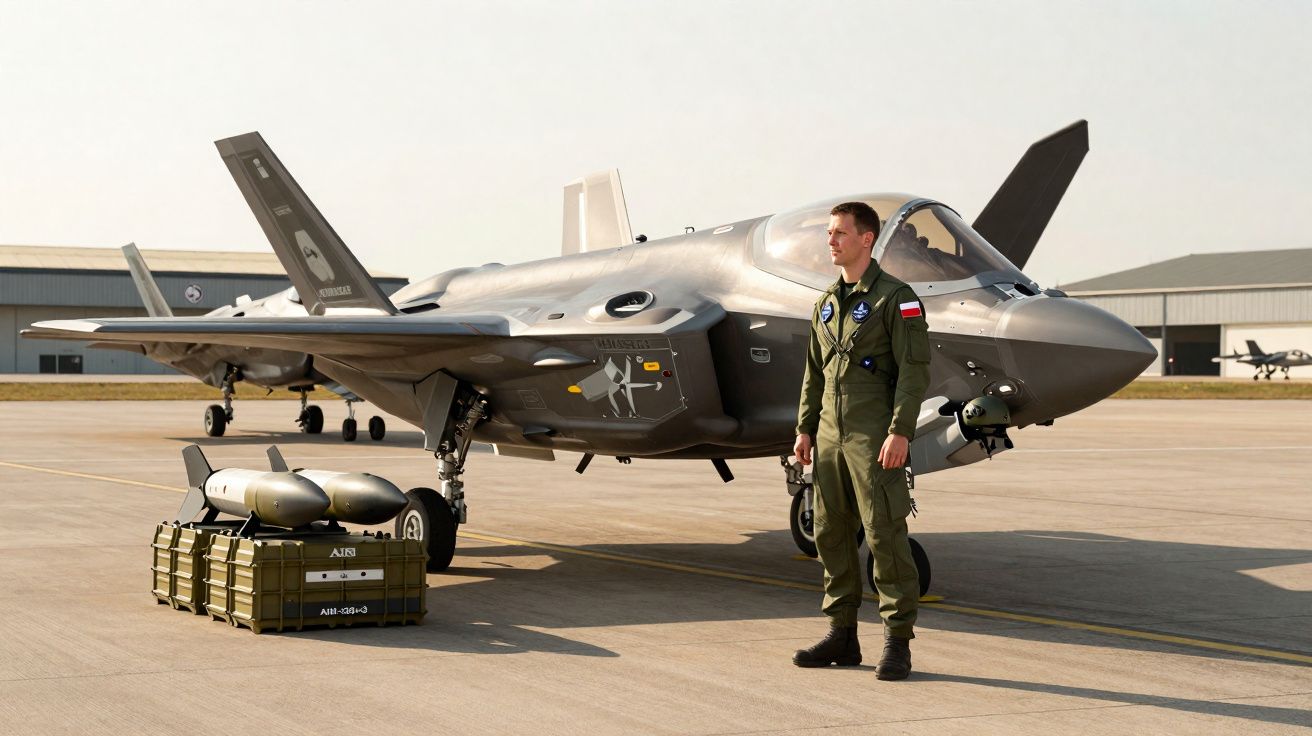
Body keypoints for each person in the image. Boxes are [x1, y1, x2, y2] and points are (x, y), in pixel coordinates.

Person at [792, 201, 931, 681]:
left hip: (874, 432)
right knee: (830, 534)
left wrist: (900, 430)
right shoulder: (826, 303)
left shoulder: (897, 298)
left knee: (883, 534)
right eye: (829, 233)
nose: (830, 240)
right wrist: (805, 427)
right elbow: (814, 371)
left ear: (866, 239)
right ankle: (842, 634)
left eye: (839, 233)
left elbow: (914, 370)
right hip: (829, 433)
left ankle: (897, 642)